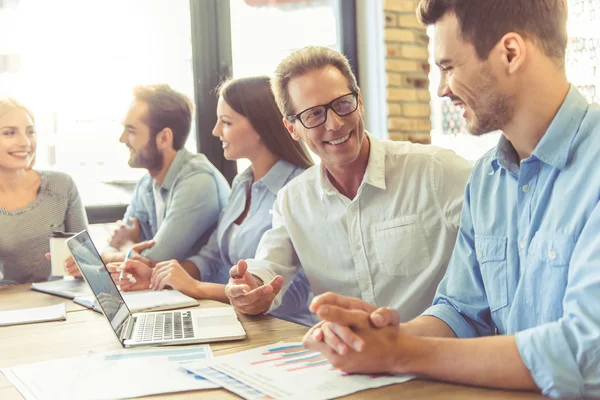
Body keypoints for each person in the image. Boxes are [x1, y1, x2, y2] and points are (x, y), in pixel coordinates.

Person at [304, 0, 600, 397]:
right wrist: (381, 337)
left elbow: (586, 354)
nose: (441, 89)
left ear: (510, 53)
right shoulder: (487, 179)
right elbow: (461, 311)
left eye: (447, 67)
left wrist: (402, 353)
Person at [225, 47, 472, 324]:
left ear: (360, 102)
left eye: (342, 104)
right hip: (345, 358)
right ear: (292, 128)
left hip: (431, 355)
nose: (335, 123)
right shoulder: (293, 200)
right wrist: (251, 287)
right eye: (314, 114)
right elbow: (270, 267)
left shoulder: (436, 171)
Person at [111, 76, 317, 326]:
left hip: (285, 330)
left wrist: (197, 288)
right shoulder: (243, 183)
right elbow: (212, 258)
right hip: (235, 320)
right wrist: (156, 276)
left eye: (226, 122)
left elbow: (294, 295)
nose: (215, 131)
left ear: (261, 127)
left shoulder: (301, 190)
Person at [81, 85, 230, 273]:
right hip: (166, 295)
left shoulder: (197, 181)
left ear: (164, 138)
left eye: (132, 131)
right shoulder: (147, 183)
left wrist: (125, 245)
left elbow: (152, 262)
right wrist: (120, 251)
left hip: (207, 299)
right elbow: (111, 246)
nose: (122, 139)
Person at [0, 98, 87, 286]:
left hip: (57, 302)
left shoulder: (62, 186)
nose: (25, 142)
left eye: (30, 132)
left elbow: (89, 263)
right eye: (9, 133)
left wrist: (82, 266)